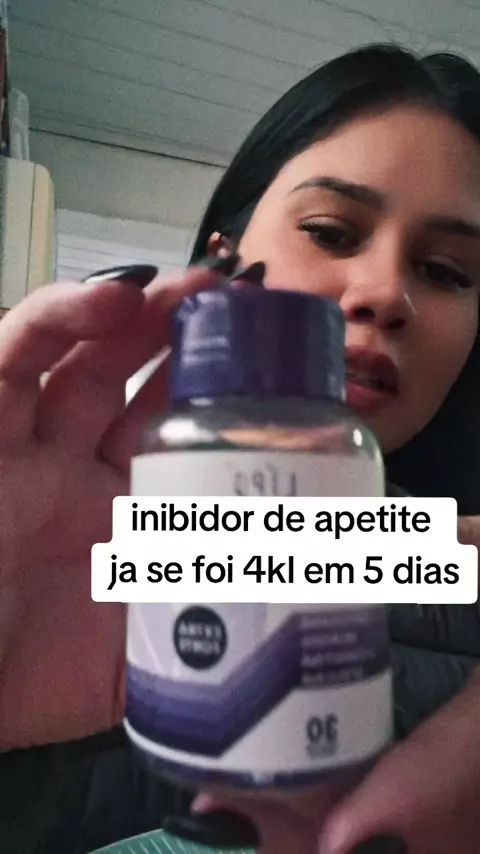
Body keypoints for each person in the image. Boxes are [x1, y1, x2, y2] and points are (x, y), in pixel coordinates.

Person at [1, 42, 480, 854]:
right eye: (331, 231)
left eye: (446, 270)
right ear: (224, 258)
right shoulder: (55, 518)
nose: (383, 292)